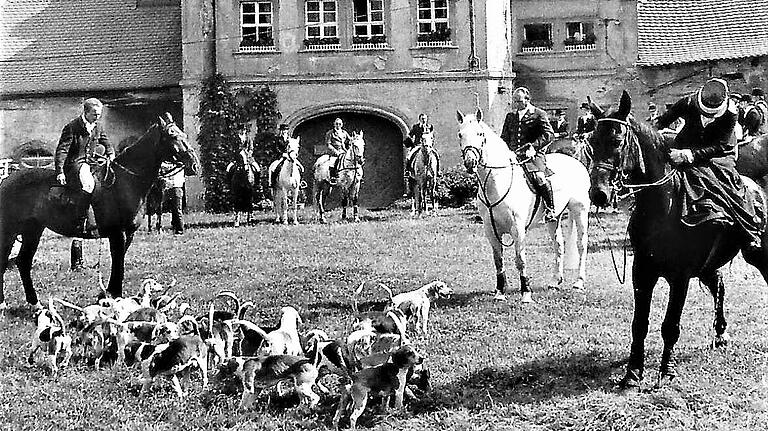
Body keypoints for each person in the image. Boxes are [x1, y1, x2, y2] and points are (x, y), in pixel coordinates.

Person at [655, 78, 762, 250]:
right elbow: (663, 121)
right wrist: (655, 132)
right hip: (685, 145)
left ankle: (749, 228)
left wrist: (690, 155)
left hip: (718, 155)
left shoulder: (731, 113)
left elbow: (720, 145)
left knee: (729, 185)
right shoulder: (688, 102)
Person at [55, 98, 114, 237]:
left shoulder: (98, 126)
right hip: (76, 163)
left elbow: (106, 142)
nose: (97, 116)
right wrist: (60, 171)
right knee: (88, 184)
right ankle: (81, 220)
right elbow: (62, 150)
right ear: (86, 112)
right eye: (94, 114)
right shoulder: (72, 127)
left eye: (99, 114)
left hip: (91, 162)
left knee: (105, 181)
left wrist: (111, 153)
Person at [500, 87, 557, 221]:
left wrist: (534, 146)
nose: (516, 104)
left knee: (539, 177)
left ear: (527, 100)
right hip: (514, 155)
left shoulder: (538, 114)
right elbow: (505, 137)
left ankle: (550, 209)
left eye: (519, 101)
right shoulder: (510, 116)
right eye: (514, 101)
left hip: (534, 154)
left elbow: (549, 135)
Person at [403, 113, 435, 196]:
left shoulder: (430, 127)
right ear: (419, 119)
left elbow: (432, 137)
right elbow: (409, 135)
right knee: (409, 156)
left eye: (425, 118)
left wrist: (431, 144)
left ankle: (436, 171)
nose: (424, 120)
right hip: (418, 145)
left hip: (427, 146)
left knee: (435, 155)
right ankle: (407, 170)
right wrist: (411, 143)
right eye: (422, 118)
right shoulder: (416, 127)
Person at [158, 159, 186, 235]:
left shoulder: (180, 164)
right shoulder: (165, 163)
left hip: (176, 187)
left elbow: (175, 175)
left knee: (177, 209)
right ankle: (163, 227)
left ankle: (180, 230)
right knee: (160, 208)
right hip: (167, 187)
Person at [325, 118, 351, 184]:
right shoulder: (330, 133)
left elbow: (350, 140)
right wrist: (335, 151)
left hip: (344, 151)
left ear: (342, 125)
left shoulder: (344, 132)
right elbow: (328, 144)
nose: (338, 125)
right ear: (334, 124)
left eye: (339, 124)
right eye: (336, 124)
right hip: (335, 152)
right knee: (333, 162)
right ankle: (333, 177)